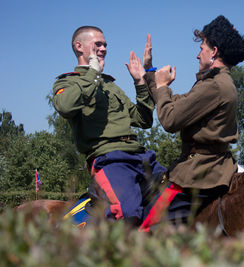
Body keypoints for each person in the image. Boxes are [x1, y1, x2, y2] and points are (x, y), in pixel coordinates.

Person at [139, 15, 244, 230]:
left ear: (214, 51)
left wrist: (161, 86)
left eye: (202, 47)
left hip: (198, 176)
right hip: (206, 171)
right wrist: (150, 71)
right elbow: (176, 105)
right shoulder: (216, 82)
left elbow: (170, 119)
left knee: (148, 231)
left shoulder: (215, 85)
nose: (198, 54)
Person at [52, 26, 166, 227]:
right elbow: (65, 106)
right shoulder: (68, 82)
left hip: (141, 157)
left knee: (179, 194)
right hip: (111, 160)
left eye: (105, 44)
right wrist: (92, 73)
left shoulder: (111, 86)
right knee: (127, 211)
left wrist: (140, 82)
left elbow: (143, 120)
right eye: (98, 44)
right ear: (79, 46)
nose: (104, 48)